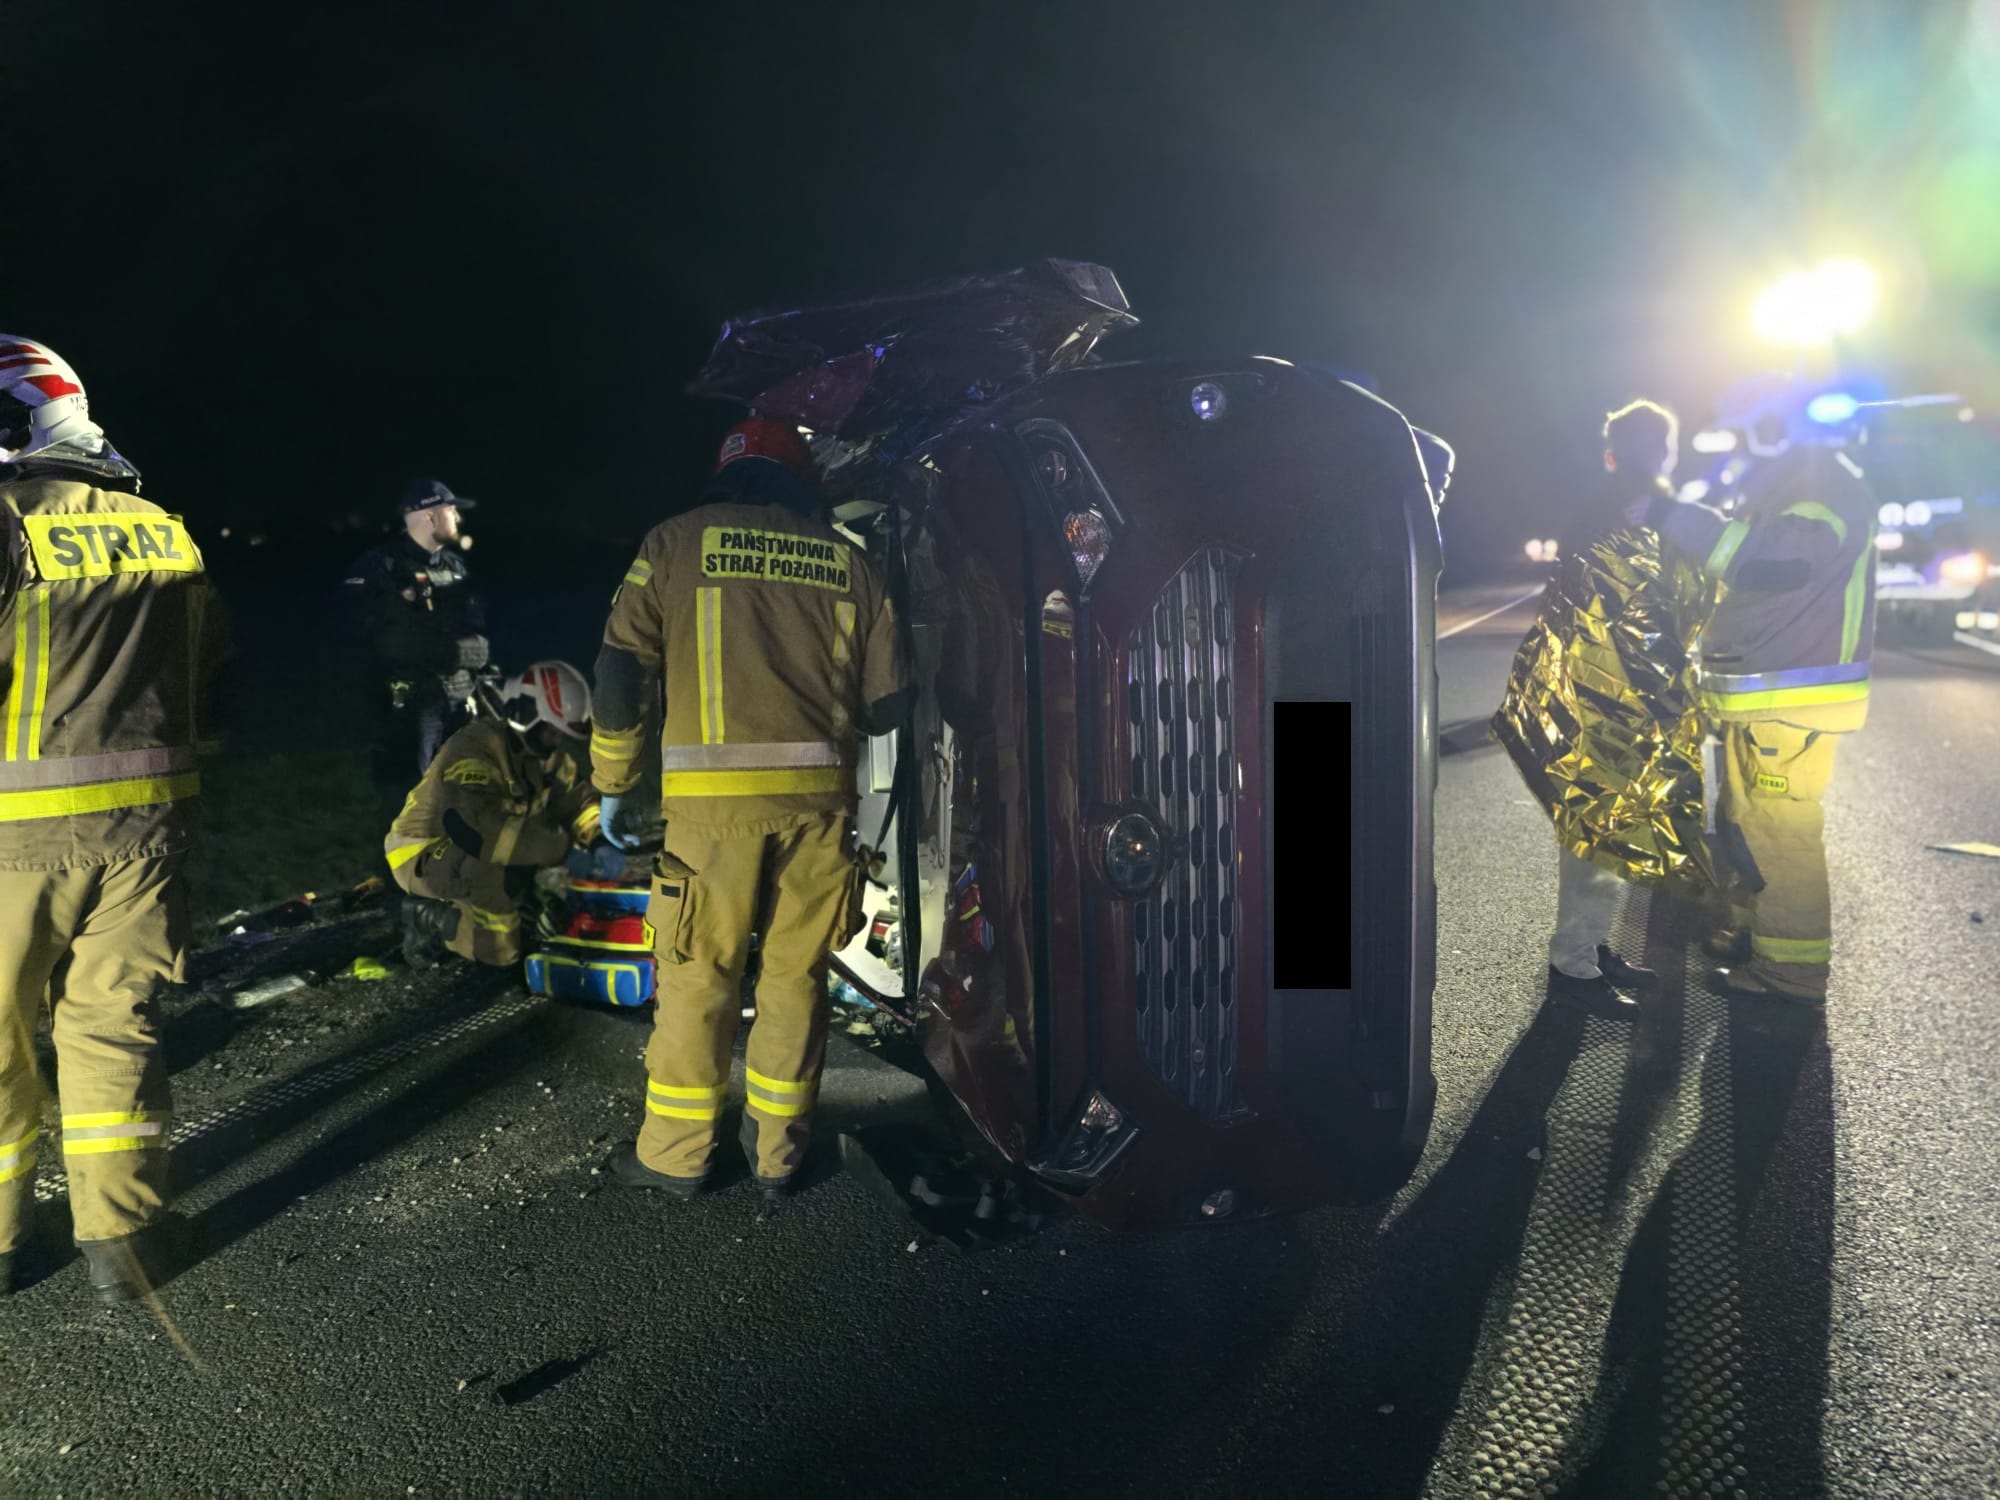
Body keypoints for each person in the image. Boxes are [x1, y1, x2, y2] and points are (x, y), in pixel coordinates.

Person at [590, 415, 910, 1204]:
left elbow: (621, 673)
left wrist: (615, 782)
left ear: (727, 474)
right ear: (802, 479)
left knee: (700, 979)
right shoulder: (850, 561)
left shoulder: (674, 543)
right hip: (820, 814)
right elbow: (888, 706)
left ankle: (677, 1158)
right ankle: (778, 1157)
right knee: (796, 981)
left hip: (710, 818)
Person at [0, 335, 227, 1303]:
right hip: (144, 837)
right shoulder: (164, 529)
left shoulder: (7, 523)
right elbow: (207, 674)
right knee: (113, 1027)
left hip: (13, 843)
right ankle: (123, 1243)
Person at [1657, 443, 1877, 1004]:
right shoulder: (1804, 486)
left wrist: (1675, 517)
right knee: (1747, 822)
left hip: (1790, 696)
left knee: (1779, 834)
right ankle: (1756, 936)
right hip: (1773, 697)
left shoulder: (1817, 491)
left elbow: (1767, 560)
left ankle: (1789, 973)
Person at [1539, 400, 1681, 1011]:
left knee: (1609, 827)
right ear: (1658, 450)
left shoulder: (1607, 504)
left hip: (1607, 686)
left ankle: (1591, 947)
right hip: (1611, 691)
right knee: (1597, 829)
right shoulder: (1633, 507)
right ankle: (1576, 964)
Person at [385, 661, 619, 969]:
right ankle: (428, 919)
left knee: (535, 880)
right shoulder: (475, 747)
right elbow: (477, 830)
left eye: (561, 733)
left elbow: (576, 801)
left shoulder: (545, 757)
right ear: (526, 713)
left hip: (480, 850)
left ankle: (505, 906)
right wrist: (562, 851)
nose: (556, 741)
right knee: (502, 950)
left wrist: (599, 838)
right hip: (425, 850)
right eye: (550, 730)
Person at [340, 478, 489, 835]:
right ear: (429, 515)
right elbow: (375, 641)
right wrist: (449, 651)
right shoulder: (380, 567)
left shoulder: (456, 567)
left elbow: (477, 637)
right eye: (451, 510)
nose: (457, 518)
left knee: (461, 802)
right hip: (409, 708)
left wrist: (465, 656)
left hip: (457, 704)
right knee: (409, 805)